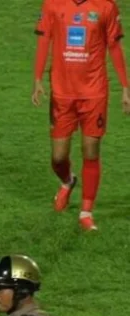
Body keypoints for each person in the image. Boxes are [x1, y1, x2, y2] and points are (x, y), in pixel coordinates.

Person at [32, 0, 130, 231]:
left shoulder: (106, 6)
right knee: (58, 157)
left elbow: (114, 46)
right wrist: (37, 78)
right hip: (62, 92)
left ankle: (86, 212)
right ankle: (68, 181)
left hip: (94, 92)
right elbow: (44, 39)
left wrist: (125, 87)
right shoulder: (53, 4)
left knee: (91, 150)